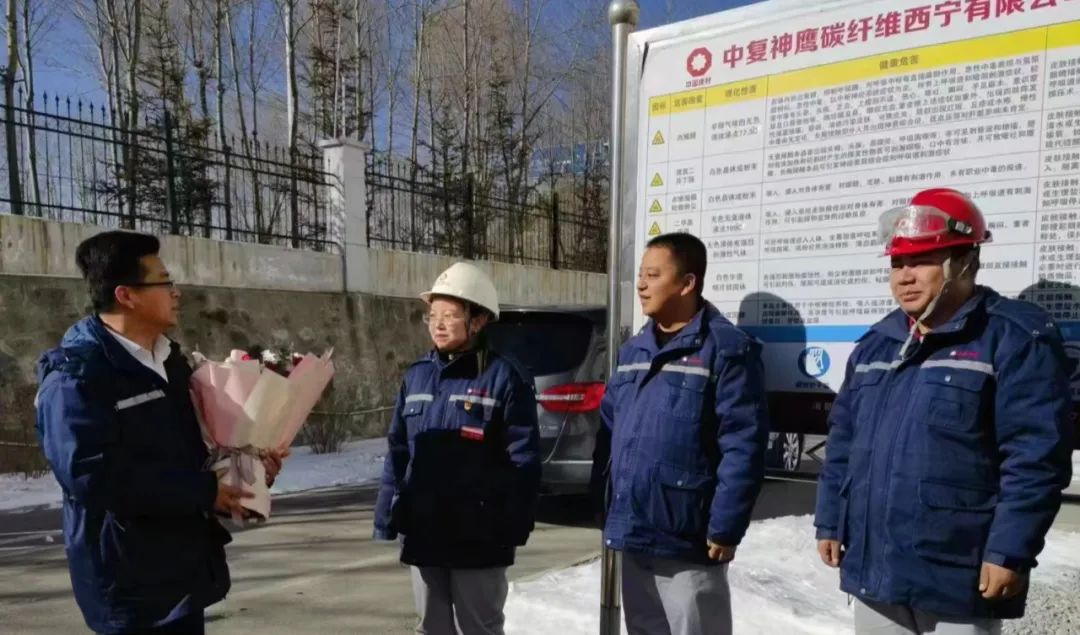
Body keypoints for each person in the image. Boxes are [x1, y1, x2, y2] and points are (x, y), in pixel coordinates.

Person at [814, 188, 1074, 634]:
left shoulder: (1010, 338)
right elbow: (843, 443)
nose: (905, 277)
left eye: (921, 261)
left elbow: (1034, 457)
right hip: (876, 568)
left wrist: (1009, 550)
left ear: (964, 262)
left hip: (958, 573)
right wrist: (830, 520)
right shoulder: (877, 345)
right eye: (897, 263)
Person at [35, 231, 286, 635]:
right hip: (130, 585)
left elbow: (196, 451)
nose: (176, 292)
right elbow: (92, 477)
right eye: (164, 282)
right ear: (126, 295)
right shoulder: (78, 377)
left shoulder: (171, 362)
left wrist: (248, 470)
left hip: (183, 574)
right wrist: (203, 491)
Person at [592, 232, 770, 635]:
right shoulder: (634, 350)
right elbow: (609, 428)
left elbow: (743, 445)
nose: (642, 285)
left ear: (687, 283)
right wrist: (601, 499)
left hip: (689, 540)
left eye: (653, 275)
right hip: (634, 531)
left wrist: (726, 526)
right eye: (641, 275)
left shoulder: (726, 350)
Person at [373, 261, 541, 635]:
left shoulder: (504, 378)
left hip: (480, 537)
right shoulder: (417, 375)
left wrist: (513, 525)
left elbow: (524, 458)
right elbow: (398, 449)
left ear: (477, 320)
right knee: (431, 627)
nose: (438, 324)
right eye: (432, 316)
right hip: (423, 531)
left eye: (449, 316)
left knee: (479, 628)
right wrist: (386, 515)